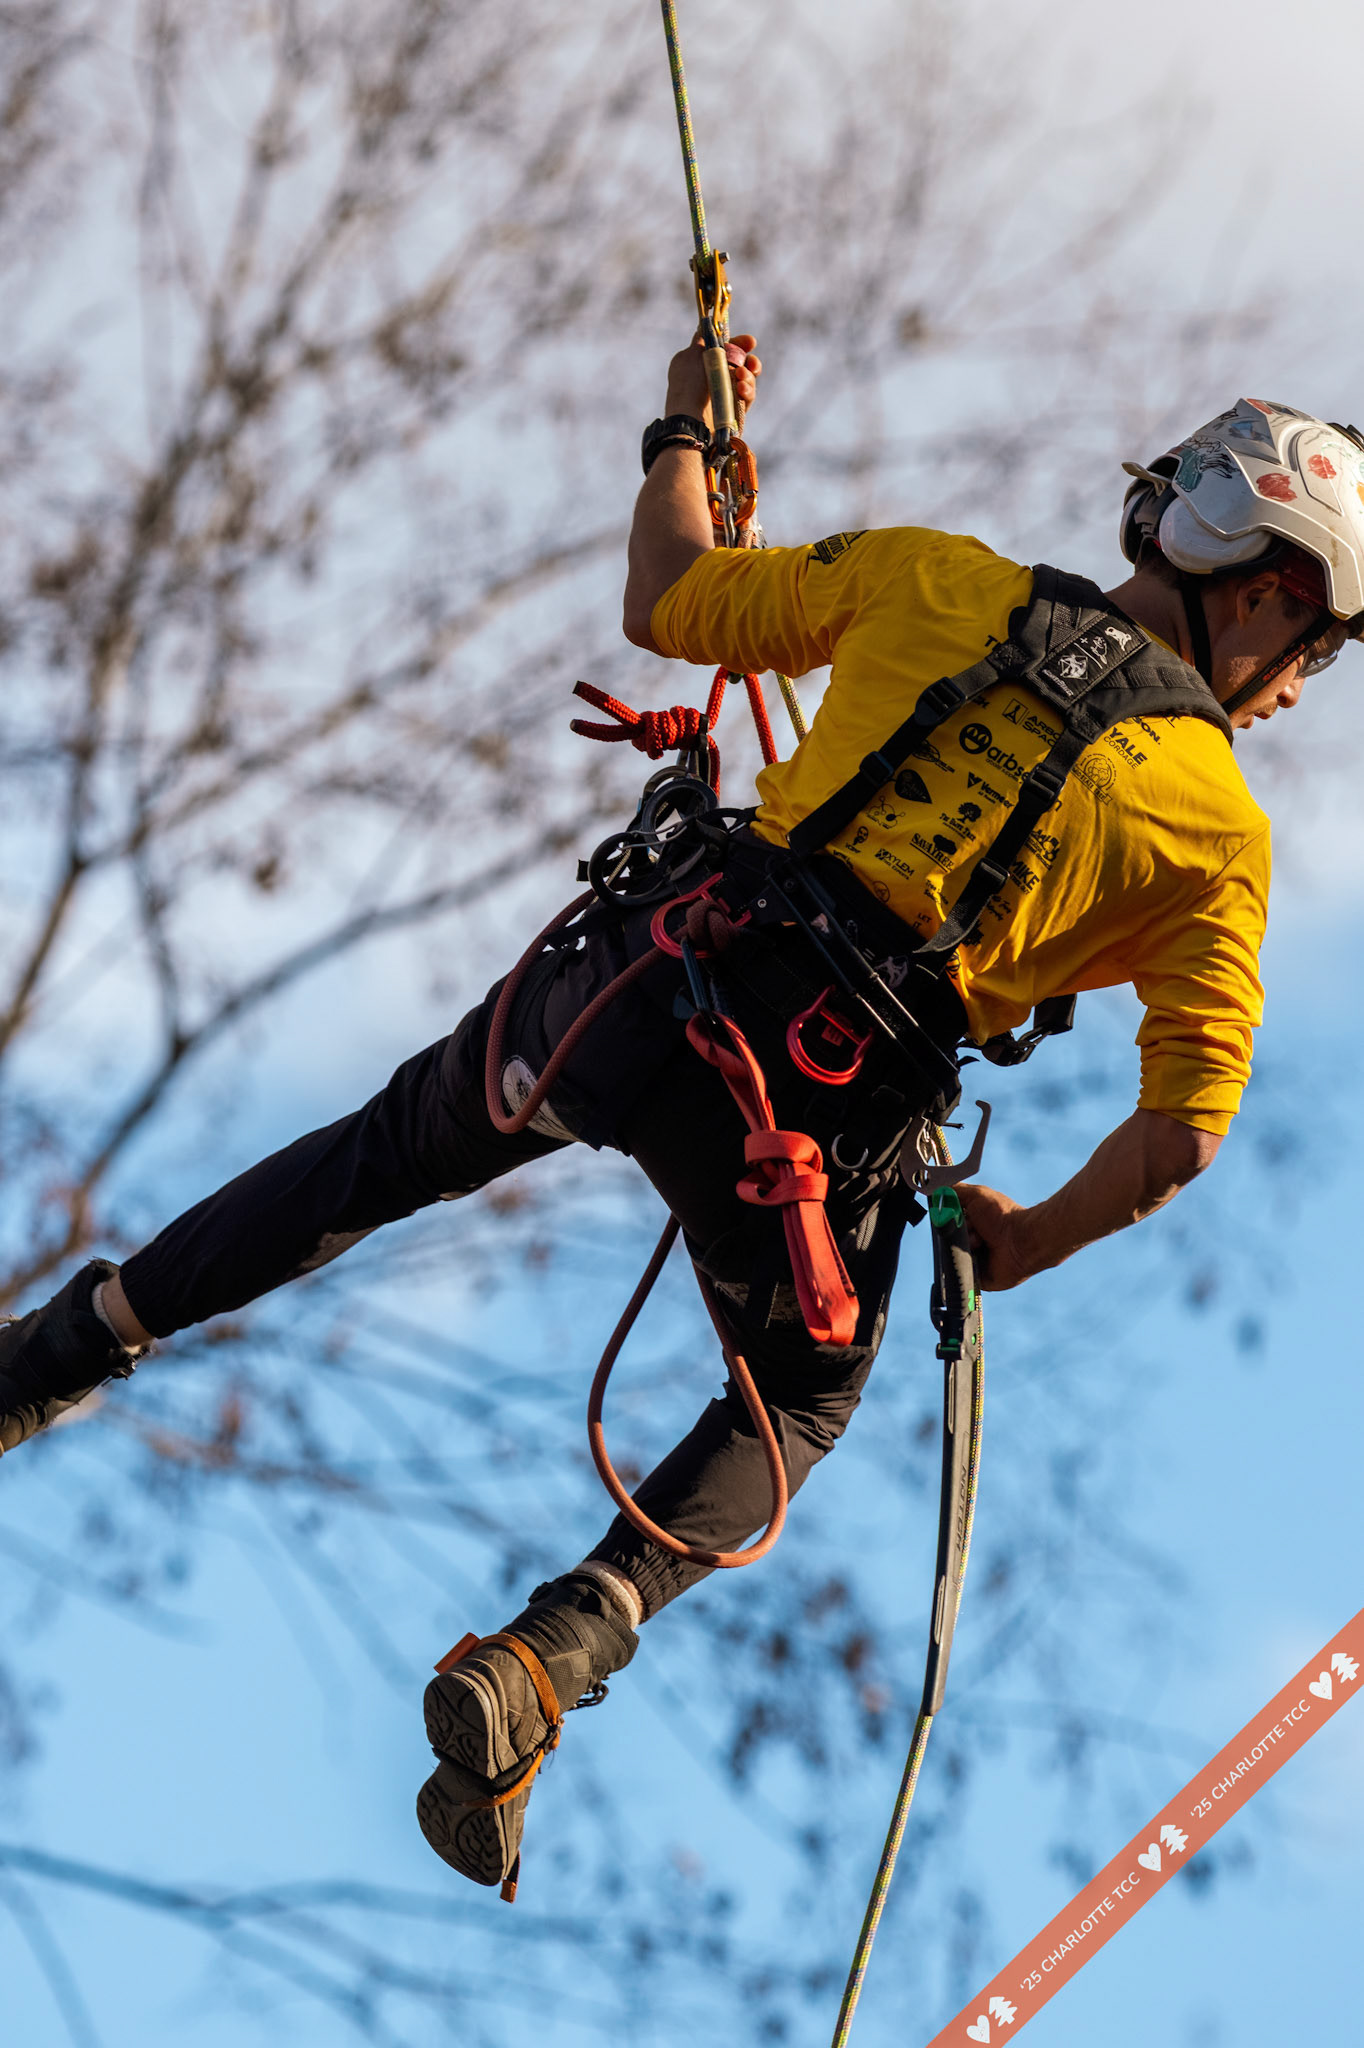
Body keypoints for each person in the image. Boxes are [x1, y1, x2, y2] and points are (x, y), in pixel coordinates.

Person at [2, 335, 1361, 1896]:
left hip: (644, 986)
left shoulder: (934, 577)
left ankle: (61, 1351)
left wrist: (685, 427)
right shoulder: (1216, 838)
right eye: (1314, 648)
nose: (1300, 688)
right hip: (813, 1118)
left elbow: (667, 595)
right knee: (796, 1404)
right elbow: (1186, 1131)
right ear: (1259, 589)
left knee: (387, 1153)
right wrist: (1030, 1242)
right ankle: (548, 1657)